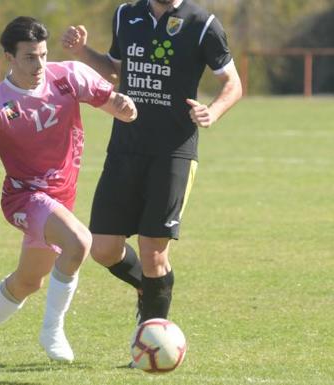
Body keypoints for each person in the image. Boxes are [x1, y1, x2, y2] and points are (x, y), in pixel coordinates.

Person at [0, 16, 137, 377]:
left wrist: (126, 107)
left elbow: (117, 106)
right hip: (24, 199)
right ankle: (52, 330)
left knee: (28, 282)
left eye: (43, 55)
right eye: (30, 57)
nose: (39, 65)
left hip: (59, 198)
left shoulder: (67, 76)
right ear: (9, 58)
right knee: (79, 241)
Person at [61, 0, 242, 325]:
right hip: (124, 148)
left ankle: (150, 337)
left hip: (173, 153)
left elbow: (233, 82)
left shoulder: (203, 22)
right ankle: (152, 289)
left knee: (153, 252)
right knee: (102, 248)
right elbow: (116, 70)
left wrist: (211, 112)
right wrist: (84, 52)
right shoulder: (125, 14)